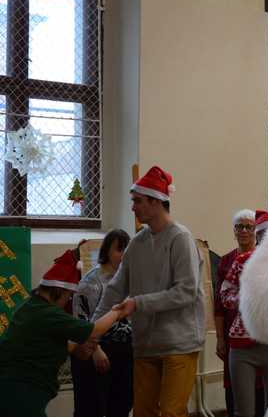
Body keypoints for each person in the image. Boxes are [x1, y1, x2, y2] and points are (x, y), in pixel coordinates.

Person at [93, 166, 206, 417]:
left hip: (179, 343)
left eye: (137, 201)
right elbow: (115, 290)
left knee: (170, 412)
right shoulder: (137, 243)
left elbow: (186, 292)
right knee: (143, 412)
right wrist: (92, 330)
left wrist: (138, 303)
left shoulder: (181, 239)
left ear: (156, 202)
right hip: (145, 343)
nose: (133, 207)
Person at [0, 247, 124, 417]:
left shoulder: (28, 307)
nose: (67, 301)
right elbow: (94, 331)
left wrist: (74, 347)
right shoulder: (49, 313)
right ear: (59, 291)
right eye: (68, 296)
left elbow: (39, 345)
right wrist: (118, 311)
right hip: (22, 391)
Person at [221, 210, 268, 417]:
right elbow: (225, 295)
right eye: (263, 236)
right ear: (257, 237)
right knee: (243, 411)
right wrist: (246, 299)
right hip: (242, 345)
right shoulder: (242, 261)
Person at [72, 229, 133, 417]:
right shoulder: (91, 281)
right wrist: (96, 351)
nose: (123, 255)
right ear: (107, 251)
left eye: (127, 250)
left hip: (124, 351)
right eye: (119, 249)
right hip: (95, 351)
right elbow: (81, 320)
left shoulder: (129, 279)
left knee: (121, 406)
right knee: (92, 408)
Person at [214, 209, 264, 416]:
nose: (243, 231)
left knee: (262, 389)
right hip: (233, 335)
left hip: (261, 334)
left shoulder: (264, 258)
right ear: (234, 231)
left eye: (248, 227)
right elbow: (218, 304)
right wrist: (220, 338)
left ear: (256, 231)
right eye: (239, 226)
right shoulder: (226, 261)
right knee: (235, 390)